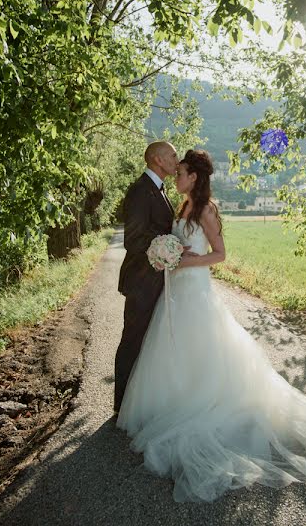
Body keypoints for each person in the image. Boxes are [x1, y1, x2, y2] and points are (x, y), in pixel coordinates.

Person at [117, 149, 306, 502]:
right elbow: (172, 241)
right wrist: (169, 253)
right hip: (175, 292)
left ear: (194, 178)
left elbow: (220, 254)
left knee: (200, 348)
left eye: (181, 172)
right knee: (172, 349)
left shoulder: (205, 210)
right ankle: (172, 401)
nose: (176, 176)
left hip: (195, 289)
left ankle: (199, 403)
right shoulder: (183, 206)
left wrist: (185, 262)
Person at [115, 141, 188, 415]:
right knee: (133, 340)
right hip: (141, 281)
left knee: (149, 341)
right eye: (172, 155)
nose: (176, 159)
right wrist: (167, 246)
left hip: (156, 279)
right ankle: (121, 406)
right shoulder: (139, 191)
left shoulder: (159, 189)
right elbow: (133, 239)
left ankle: (140, 401)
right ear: (157, 159)